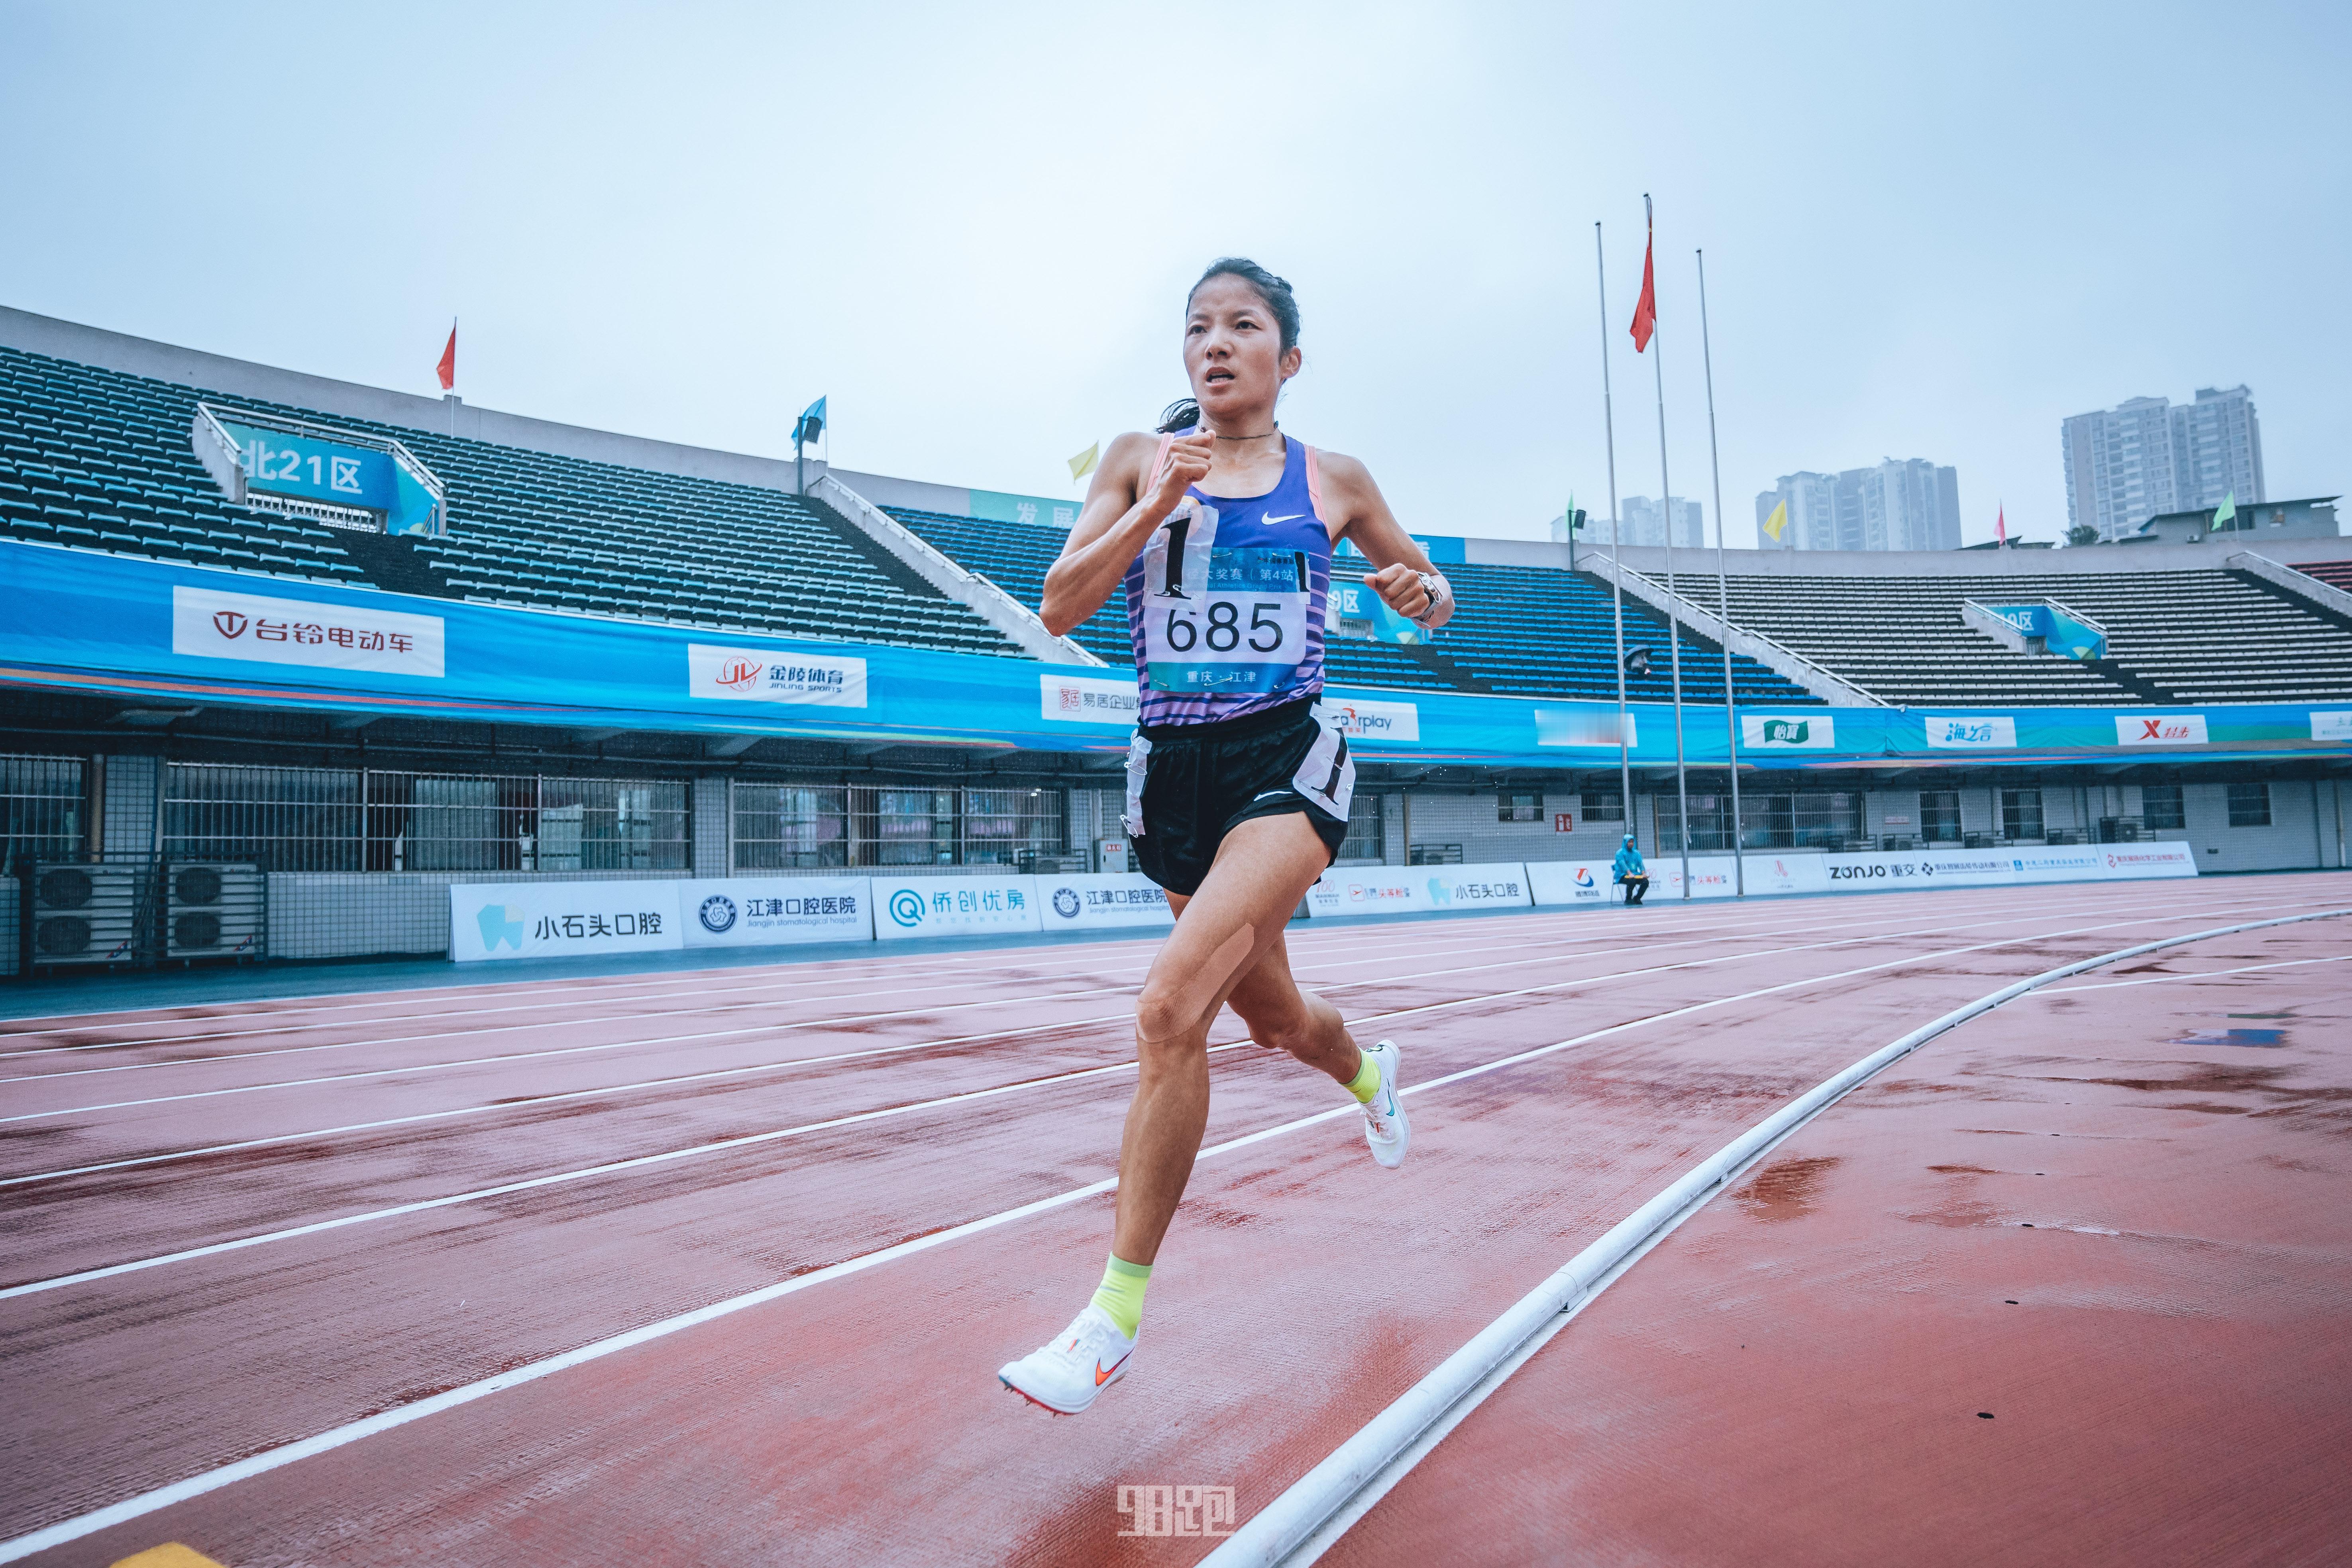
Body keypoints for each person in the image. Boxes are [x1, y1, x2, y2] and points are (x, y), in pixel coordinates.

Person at [996, 258, 1456, 1415]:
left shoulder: (1331, 476)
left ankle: (1110, 1316)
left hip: (1283, 761)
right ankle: (1367, 1070)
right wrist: (1155, 503)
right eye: (1196, 326)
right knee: (1271, 1016)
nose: (1214, 342)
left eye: (1241, 325)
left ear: (1284, 359)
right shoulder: (1129, 461)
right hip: (1171, 773)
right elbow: (1056, 608)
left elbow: (1424, 584)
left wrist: (1421, 596)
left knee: (1167, 1006)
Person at [1613, 833, 1651, 905]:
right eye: (1629, 842)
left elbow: (1641, 864)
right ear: (1625, 842)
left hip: (1635, 875)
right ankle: (1628, 899)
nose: (1631, 844)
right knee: (1632, 881)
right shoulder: (1620, 853)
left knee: (1645, 882)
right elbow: (1622, 864)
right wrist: (1629, 873)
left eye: (1632, 842)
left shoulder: (1637, 853)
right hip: (1622, 876)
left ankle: (1637, 898)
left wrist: (1643, 874)